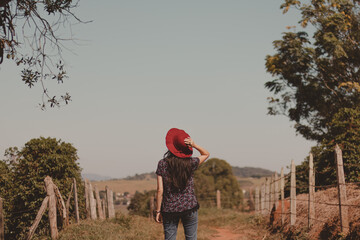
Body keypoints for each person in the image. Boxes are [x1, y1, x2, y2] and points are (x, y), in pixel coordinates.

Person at [155, 128, 210, 240]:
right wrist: (194, 145)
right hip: (189, 206)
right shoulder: (191, 163)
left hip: (169, 209)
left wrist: (158, 211)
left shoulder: (162, 164)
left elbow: (160, 190)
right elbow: (206, 154)